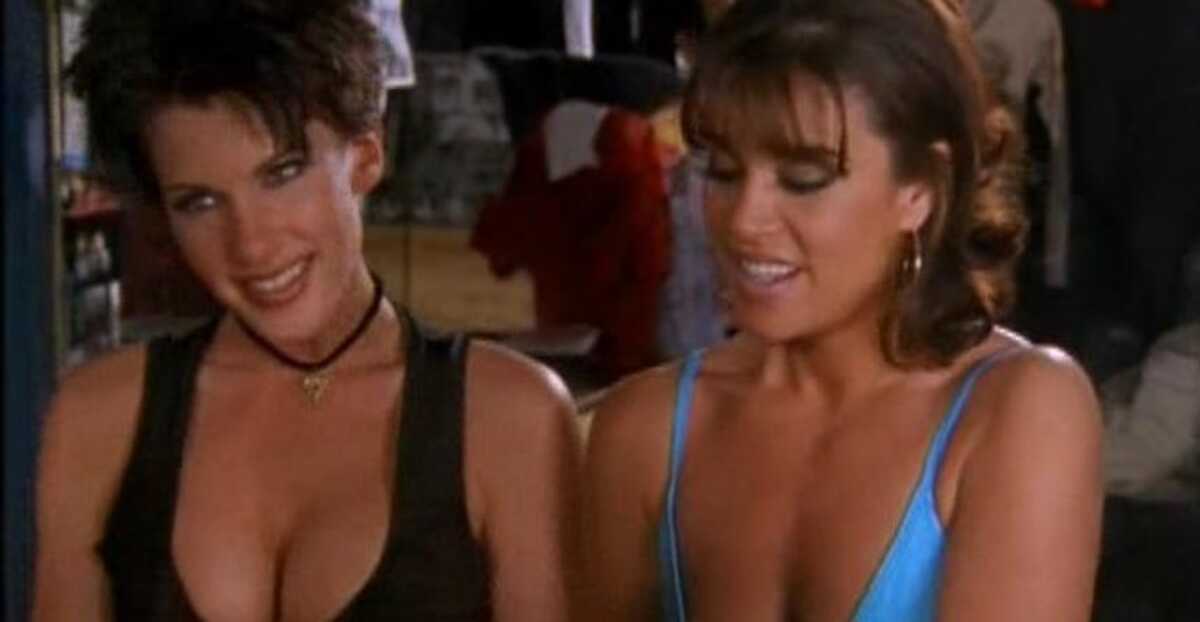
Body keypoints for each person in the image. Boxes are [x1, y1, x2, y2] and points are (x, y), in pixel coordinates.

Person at [34, 1, 580, 620]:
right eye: (200, 202)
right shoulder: (99, 420)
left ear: (366, 157)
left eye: (282, 173)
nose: (251, 245)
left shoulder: (510, 417)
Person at [579, 0, 1102, 620]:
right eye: (722, 172)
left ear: (921, 187)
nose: (743, 220)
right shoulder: (643, 429)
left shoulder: (1017, 411)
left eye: (804, 180)